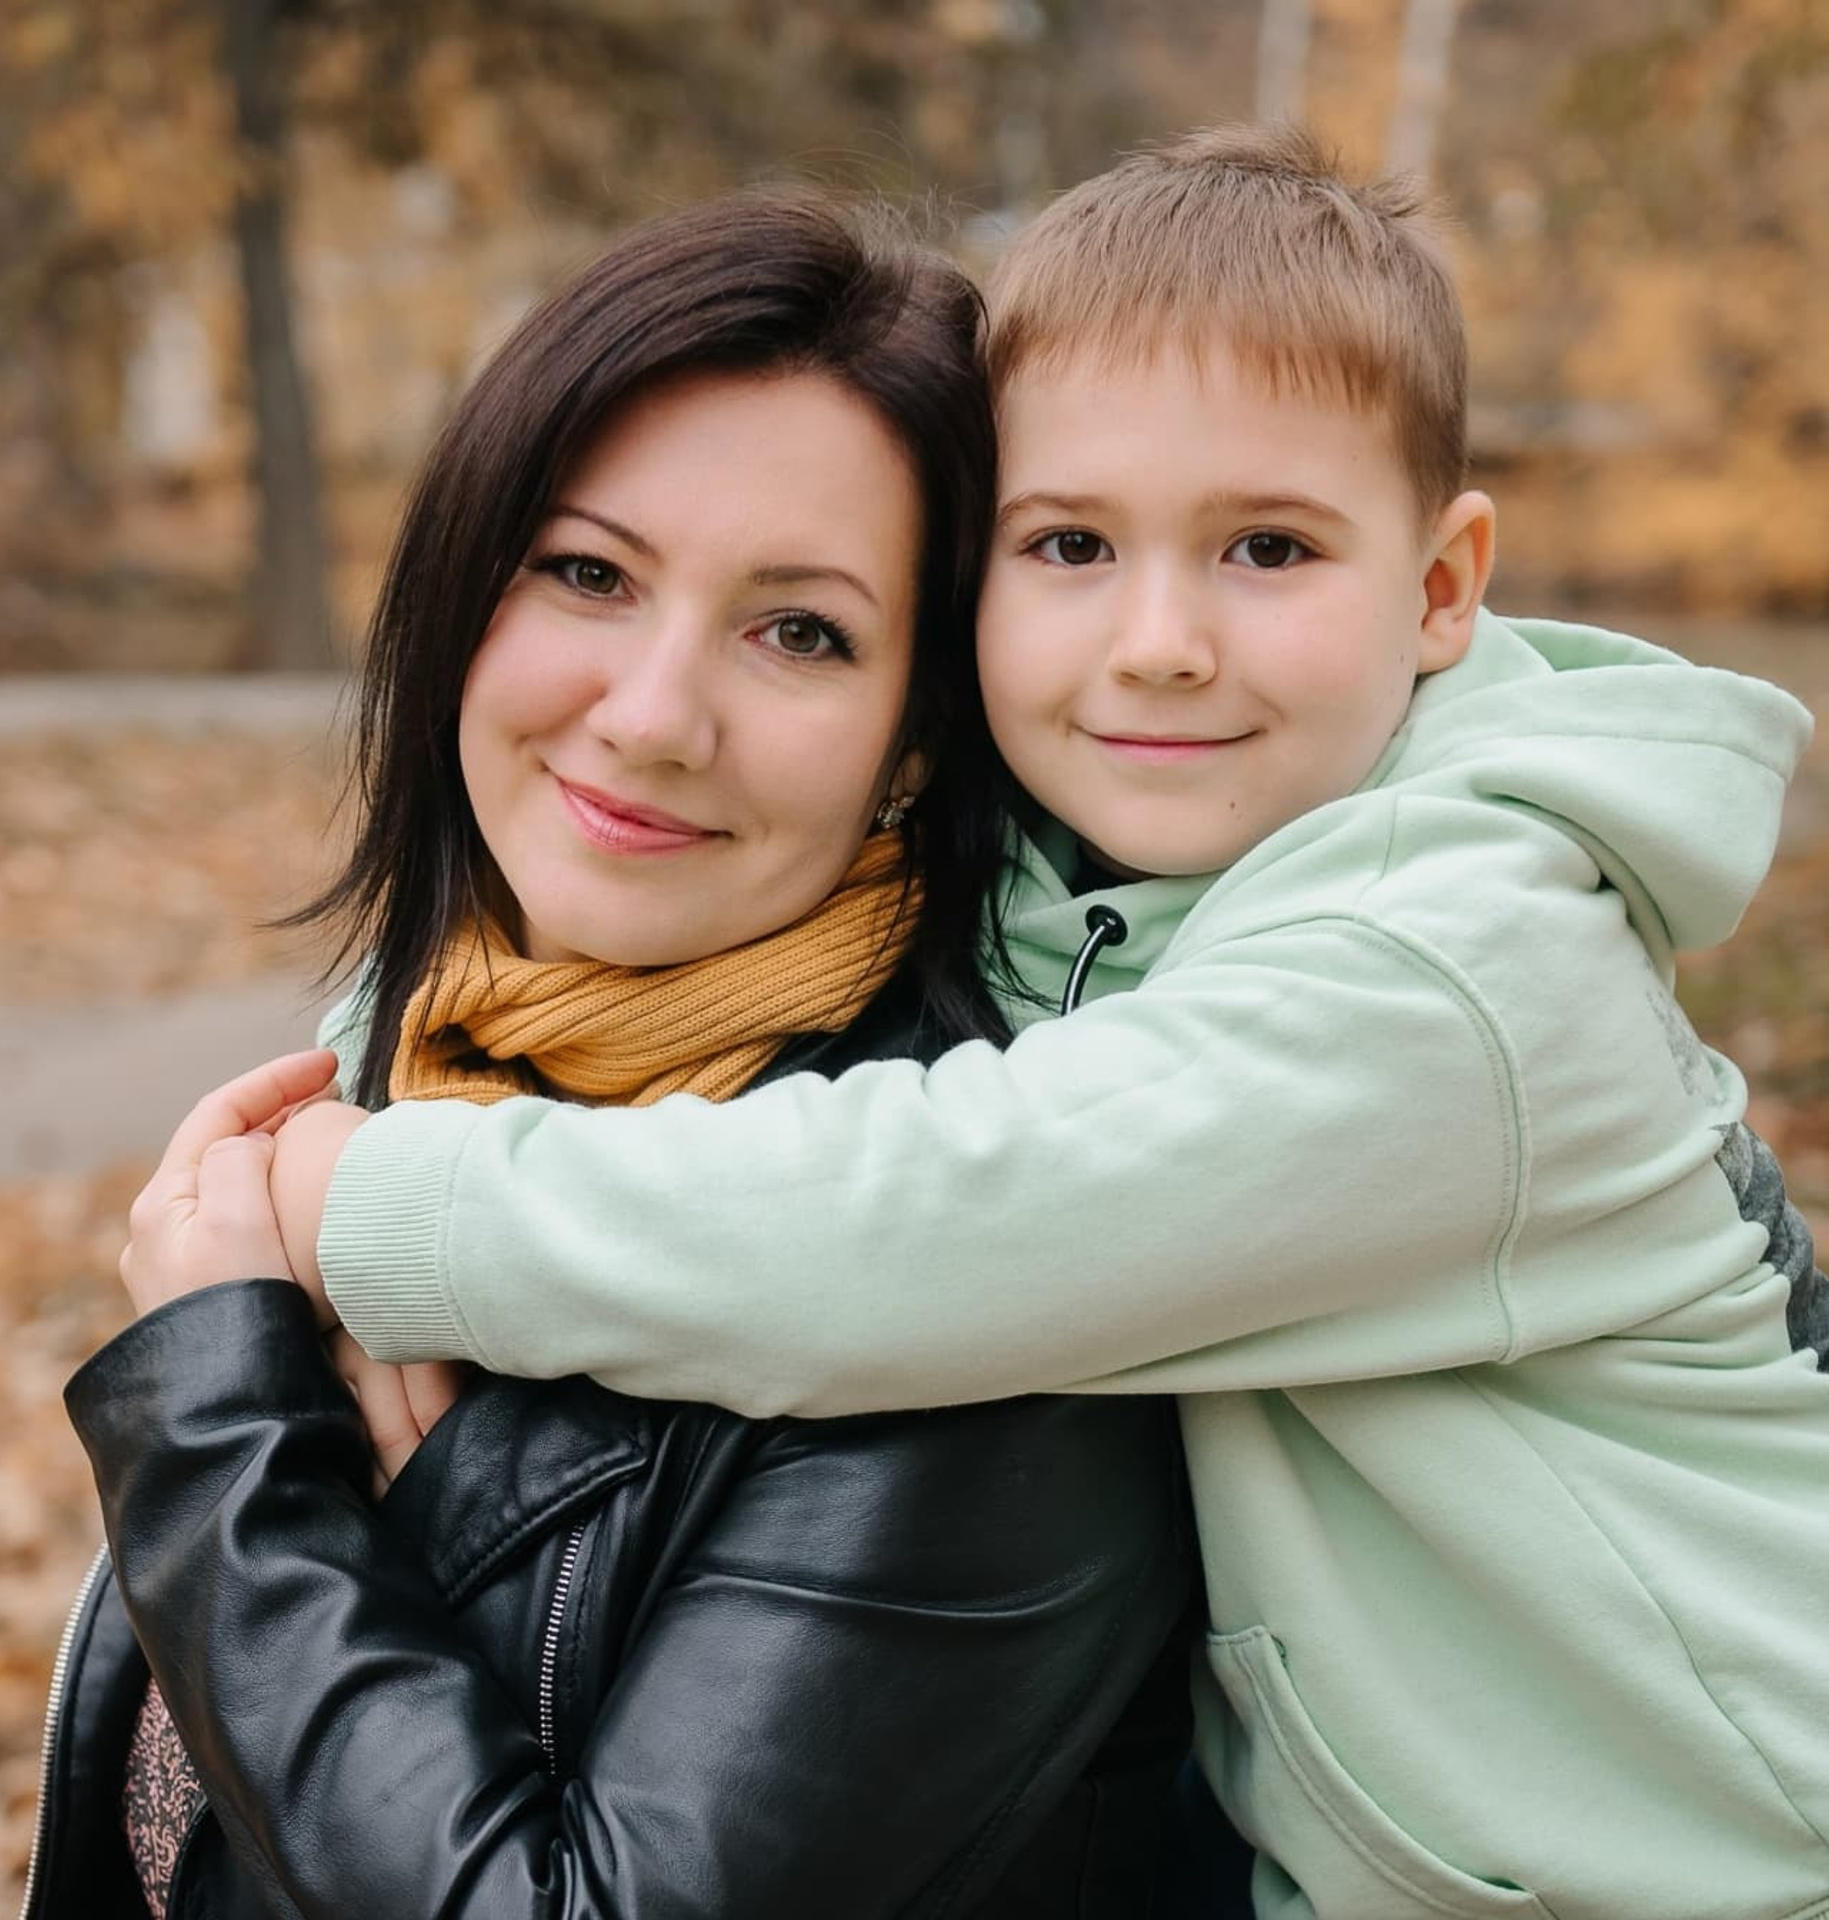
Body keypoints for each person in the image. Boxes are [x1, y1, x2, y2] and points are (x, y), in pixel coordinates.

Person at [250, 127, 1829, 1917]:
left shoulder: (1451, 975)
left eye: (1268, 547)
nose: (1157, 641)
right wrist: (362, 1064)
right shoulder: (1116, 874)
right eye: (1070, 543)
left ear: (1443, 587)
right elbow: (603, 959)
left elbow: (930, 1220)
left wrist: (370, 1205)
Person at [24, 194, 1197, 1920]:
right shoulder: (410, 1086)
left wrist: (217, 1426)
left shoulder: (974, 1306)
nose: (651, 715)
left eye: (801, 631)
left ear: (916, 742)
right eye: (589, 572)